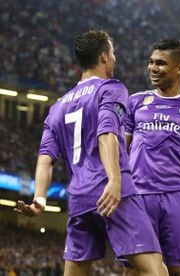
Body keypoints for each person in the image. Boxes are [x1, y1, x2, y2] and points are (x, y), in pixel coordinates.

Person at [14, 30, 167, 276]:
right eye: (113, 54)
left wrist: (40, 199)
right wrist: (115, 180)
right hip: (114, 193)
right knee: (155, 271)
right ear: (104, 57)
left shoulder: (57, 108)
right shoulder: (110, 89)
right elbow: (106, 132)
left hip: (79, 199)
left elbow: (45, 158)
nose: (115, 59)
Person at [124, 38, 180, 276]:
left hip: (177, 199)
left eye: (161, 63)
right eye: (151, 62)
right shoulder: (135, 102)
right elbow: (119, 153)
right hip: (139, 197)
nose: (153, 68)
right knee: (135, 271)